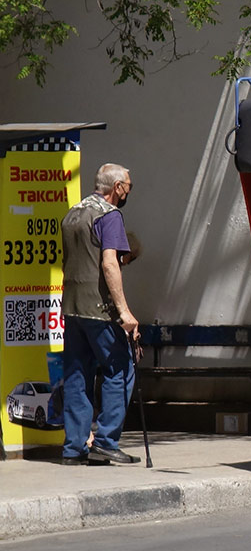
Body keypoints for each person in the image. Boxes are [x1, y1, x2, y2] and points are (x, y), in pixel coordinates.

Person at [60, 163, 141, 466]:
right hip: (99, 309)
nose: (129, 190)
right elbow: (109, 264)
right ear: (117, 187)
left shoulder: (72, 214)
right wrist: (124, 312)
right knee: (120, 368)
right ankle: (106, 441)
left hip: (71, 307)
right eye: (128, 185)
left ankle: (74, 447)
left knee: (77, 375)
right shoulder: (110, 215)